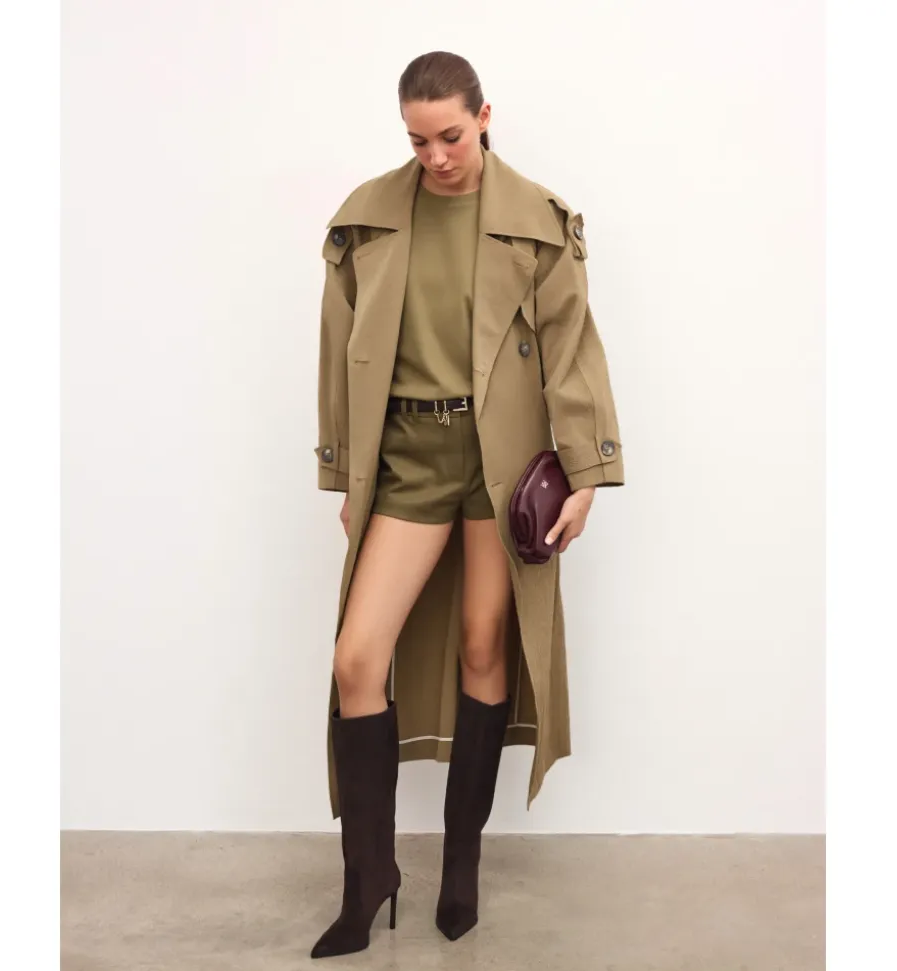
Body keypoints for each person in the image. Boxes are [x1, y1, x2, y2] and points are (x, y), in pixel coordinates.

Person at [310, 51, 624, 959]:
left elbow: (571, 349)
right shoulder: (368, 218)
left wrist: (587, 471)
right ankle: (369, 876)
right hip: (406, 459)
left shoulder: (537, 222)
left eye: (450, 135)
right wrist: (348, 476)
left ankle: (460, 862)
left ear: (485, 116)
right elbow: (337, 348)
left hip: (500, 458)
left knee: (486, 645)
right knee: (357, 659)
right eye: (418, 140)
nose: (436, 156)